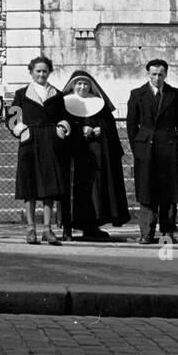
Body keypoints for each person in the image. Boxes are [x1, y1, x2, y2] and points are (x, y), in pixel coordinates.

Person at [58, 70, 130, 240]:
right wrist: (79, 130)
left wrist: (100, 129)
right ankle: (67, 226)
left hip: (96, 158)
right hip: (74, 156)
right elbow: (60, 126)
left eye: (86, 84)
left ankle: (92, 227)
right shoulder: (64, 104)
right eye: (79, 83)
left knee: (96, 193)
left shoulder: (99, 104)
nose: (82, 87)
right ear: (72, 86)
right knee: (71, 191)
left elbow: (109, 127)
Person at [8, 56, 70, 244]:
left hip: (51, 143)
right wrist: (21, 130)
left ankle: (47, 229)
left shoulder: (57, 95)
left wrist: (62, 127)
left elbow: (64, 117)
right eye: (38, 71)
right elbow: (12, 119)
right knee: (30, 186)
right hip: (30, 141)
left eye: (45, 71)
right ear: (31, 72)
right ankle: (30, 229)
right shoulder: (21, 94)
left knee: (49, 188)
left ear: (49, 72)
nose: (41, 74)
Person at [126, 59, 178, 243]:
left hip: (167, 149)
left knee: (168, 192)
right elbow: (131, 125)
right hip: (146, 149)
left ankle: (167, 231)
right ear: (148, 74)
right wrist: (137, 148)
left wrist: (177, 145)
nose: (157, 78)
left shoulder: (173, 94)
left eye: (161, 74)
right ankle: (146, 233)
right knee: (146, 192)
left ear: (166, 75)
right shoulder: (137, 94)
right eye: (154, 74)